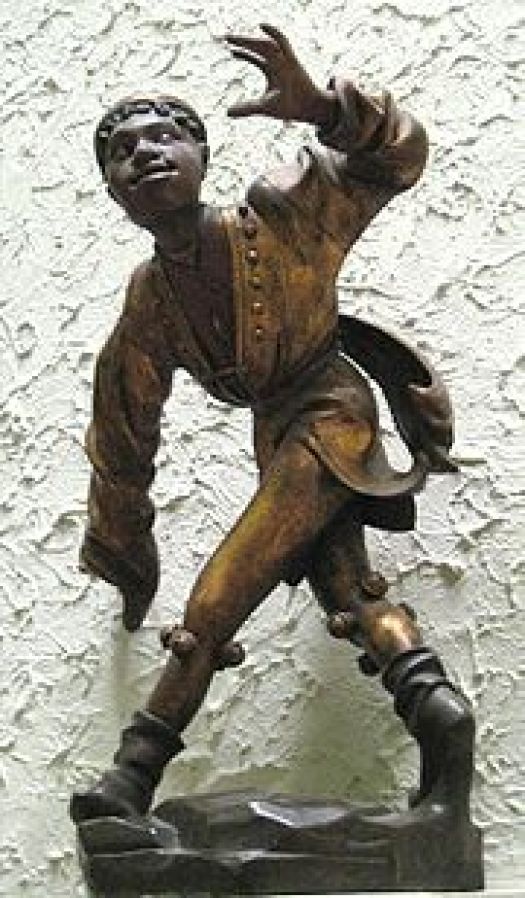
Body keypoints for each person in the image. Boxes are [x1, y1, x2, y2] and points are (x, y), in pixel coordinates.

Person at [70, 25, 474, 823]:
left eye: (165, 137)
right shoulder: (149, 300)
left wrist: (324, 107)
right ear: (115, 194)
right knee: (349, 593)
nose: (145, 153)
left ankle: (132, 775)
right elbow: (122, 430)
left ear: (201, 156)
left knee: (220, 594)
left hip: (331, 417)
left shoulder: (284, 214)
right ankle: (438, 716)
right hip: (279, 437)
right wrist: (124, 547)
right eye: (122, 151)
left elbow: (397, 157)